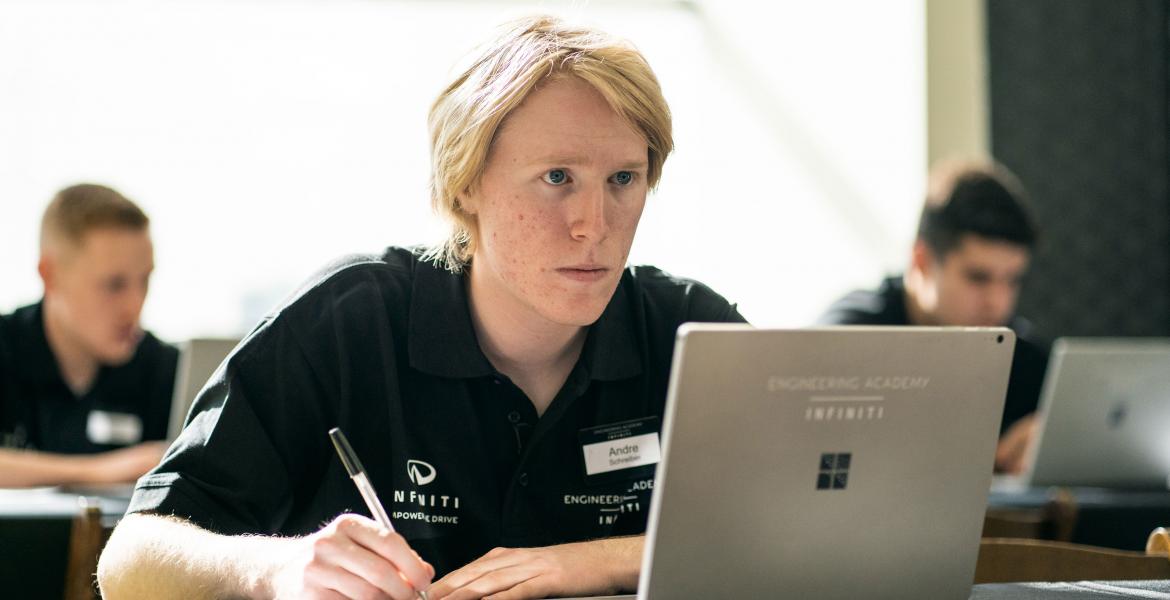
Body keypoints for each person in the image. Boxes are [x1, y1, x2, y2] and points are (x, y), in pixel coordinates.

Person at [97, 15, 745, 600]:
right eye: (557, 178)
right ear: (465, 182)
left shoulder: (692, 333)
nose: (594, 225)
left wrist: (601, 561)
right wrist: (277, 570)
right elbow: (129, 563)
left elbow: (820, 534)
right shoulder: (347, 323)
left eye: (623, 179)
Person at [818, 159, 1048, 474]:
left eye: (1012, 280)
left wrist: (1049, 436)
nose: (998, 302)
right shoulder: (852, 337)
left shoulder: (1023, 356)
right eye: (978, 278)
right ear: (922, 261)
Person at [0, 184, 177, 488]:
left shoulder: (165, 370)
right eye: (114, 284)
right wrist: (104, 472)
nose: (135, 305)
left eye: (144, 280)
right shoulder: (6, 347)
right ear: (50, 275)